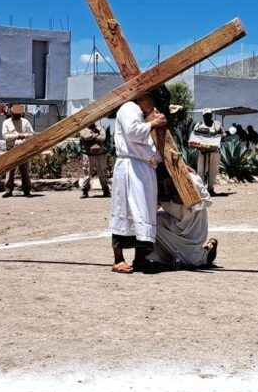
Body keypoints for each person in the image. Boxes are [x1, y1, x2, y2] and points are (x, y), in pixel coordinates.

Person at [109, 87, 169, 273]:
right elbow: (133, 132)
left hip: (144, 170)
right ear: (145, 97)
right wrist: (153, 124)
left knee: (144, 213)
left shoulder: (144, 116)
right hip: (130, 169)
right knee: (124, 210)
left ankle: (141, 258)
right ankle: (118, 259)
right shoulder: (129, 108)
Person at [142, 170, 218, 272]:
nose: (166, 186)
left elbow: (207, 201)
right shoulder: (156, 186)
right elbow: (151, 209)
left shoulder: (191, 179)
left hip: (193, 225)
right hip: (172, 223)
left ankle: (208, 249)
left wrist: (188, 201)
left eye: (168, 182)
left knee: (192, 263)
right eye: (162, 183)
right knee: (149, 223)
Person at [1, 104, 34, 198]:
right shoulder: (6, 122)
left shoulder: (25, 122)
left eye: (18, 113)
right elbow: (5, 136)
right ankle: (8, 190)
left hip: (23, 149)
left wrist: (24, 136)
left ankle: (27, 190)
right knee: (10, 170)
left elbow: (31, 134)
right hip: (11, 149)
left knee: (25, 170)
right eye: (15, 114)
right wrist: (17, 136)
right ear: (11, 113)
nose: (17, 115)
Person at [193, 109, 226, 195]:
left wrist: (216, 136)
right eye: (206, 115)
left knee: (213, 170)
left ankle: (210, 188)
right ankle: (201, 189)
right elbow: (194, 135)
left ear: (211, 115)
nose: (207, 116)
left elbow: (224, 134)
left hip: (214, 151)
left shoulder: (217, 124)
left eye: (209, 115)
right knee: (201, 170)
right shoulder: (199, 125)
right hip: (202, 151)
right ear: (203, 116)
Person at [79, 122, 111, 199]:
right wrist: (96, 135)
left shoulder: (100, 129)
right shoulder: (83, 130)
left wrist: (93, 136)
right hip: (88, 155)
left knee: (102, 173)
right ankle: (85, 191)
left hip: (100, 155)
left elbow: (102, 138)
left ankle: (106, 190)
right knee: (87, 173)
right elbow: (86, 136)